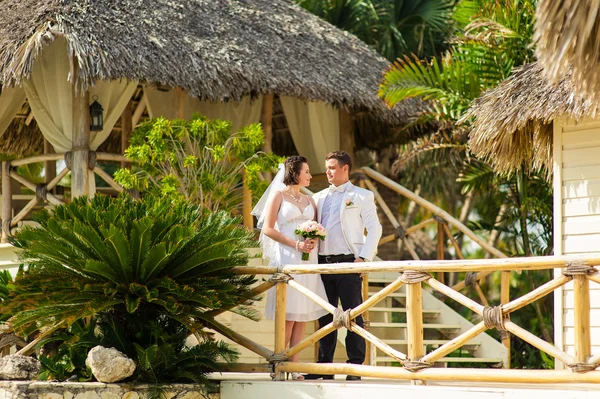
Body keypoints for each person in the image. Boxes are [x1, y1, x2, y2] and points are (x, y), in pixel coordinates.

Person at [304, 150, 382, 381]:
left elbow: (375, 229)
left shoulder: (362, 196)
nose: (327, 171)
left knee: (353, 316)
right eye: (327, 167)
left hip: (349, 262)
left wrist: (364, 258)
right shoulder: (317, 198)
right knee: (324, 316)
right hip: (322, 264)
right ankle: (324, 366)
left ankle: (355, 366)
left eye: (332, 167)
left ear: (345, 168)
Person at [251, 156, 328, 381]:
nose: (310, 176)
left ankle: (293, 367)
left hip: (308, 259)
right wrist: (295, 243)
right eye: (307, 172)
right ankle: (276, 363)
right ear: (294, 173)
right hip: (288, 256)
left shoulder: (310, 200)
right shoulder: (278, 196)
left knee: (302, 314)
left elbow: (317, 229)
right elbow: (267, 229)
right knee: (288, 315)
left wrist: (313, 241)